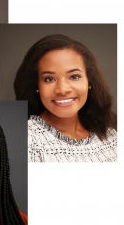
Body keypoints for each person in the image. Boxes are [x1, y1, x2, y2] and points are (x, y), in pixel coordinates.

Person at [14, 34, 117, 162]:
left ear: (90, 81)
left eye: (74, 77)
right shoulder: (24, 139)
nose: (62, 90)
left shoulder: (112, 136)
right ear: (37, 86)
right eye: (49, 79)